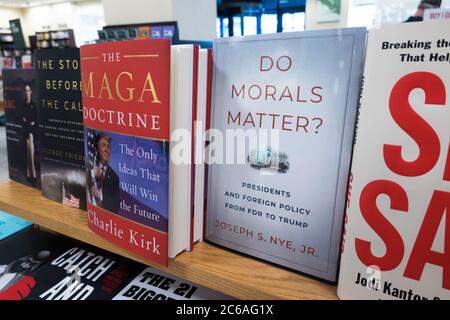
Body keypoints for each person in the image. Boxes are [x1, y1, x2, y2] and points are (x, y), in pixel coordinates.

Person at [89, 133, 120, 214]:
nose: (107, 149)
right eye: (103, 145)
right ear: (97, 149)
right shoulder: (89, 167)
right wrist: (93, 174)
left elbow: (115, 207)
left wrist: (100, 196)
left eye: (108, 146)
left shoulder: (114, 177)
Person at [21, 83, 38, 186]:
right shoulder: (23, 105)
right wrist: (28, 122)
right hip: (26, 131)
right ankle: (32, 174)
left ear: (31, 92)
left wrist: (29, 122)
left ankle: (30, 173)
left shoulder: (34, 105)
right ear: (24, 93)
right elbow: (22, 119)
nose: (27, 92)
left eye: (29, 90)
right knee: (28, 150)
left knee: (30, 139)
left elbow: (35, 121)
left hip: (32, 132)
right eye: (26, 91)